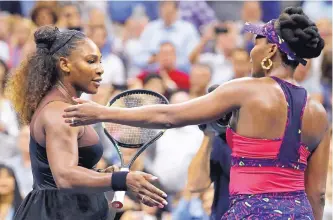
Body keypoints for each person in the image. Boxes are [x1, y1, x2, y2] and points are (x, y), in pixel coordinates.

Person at [63, 7, 330, 219]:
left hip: (250, 213)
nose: (251, 51)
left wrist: (103, 112)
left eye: (256, 42)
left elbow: (169, 116)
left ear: (271, 49)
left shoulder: (244, 90)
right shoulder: (319, 112)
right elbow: (317, 193)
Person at [5, 25, 167, 220]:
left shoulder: (63, 107)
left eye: (100, 61)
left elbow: (58, 170)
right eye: (91, 61)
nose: (100, 70)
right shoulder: (60, 113)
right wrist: (121, 179)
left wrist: (100, 175)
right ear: (64, 64)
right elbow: (64, 177)